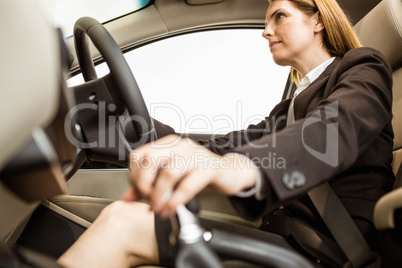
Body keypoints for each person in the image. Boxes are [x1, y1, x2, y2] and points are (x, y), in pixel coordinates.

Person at [57, 0, 394, 267]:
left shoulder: (364, 66)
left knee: (123, 223)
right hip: (284, 238)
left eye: (279, 16)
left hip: (330, 252)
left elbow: (336, 127)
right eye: (266, 21)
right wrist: (129, 128)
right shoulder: (288, 107)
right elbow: (225, 144)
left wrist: (241, 168)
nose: (266, 31)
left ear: (317, 20)